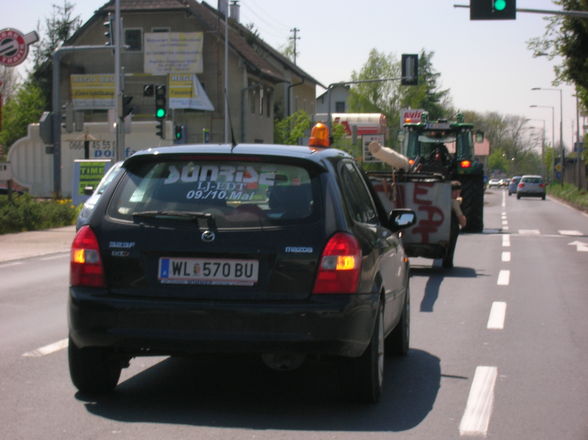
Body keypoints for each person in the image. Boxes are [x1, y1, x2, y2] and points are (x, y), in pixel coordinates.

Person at [444, 180, 467, 268]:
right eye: (456, 192)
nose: (458, 195)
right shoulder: (453, 202)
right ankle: (448, 260)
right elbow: (462, 220)